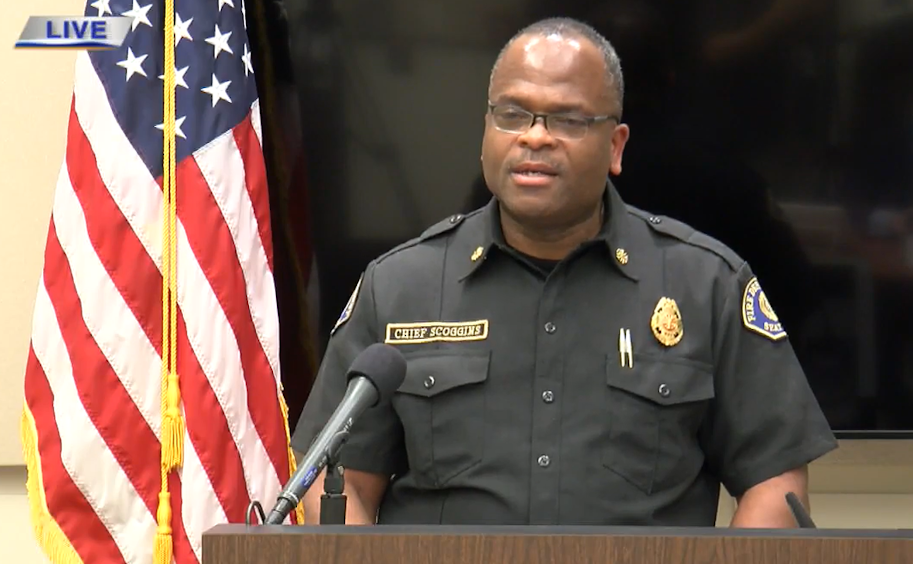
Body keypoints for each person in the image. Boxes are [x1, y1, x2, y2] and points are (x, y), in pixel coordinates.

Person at [291, 16, 838, 527]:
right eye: (513, 114)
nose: (534, 137)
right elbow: (335, 483)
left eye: (567, 119)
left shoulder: (707, 284)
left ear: (616, 146)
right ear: (486, 133)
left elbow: (775, 482)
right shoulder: (400, 286)